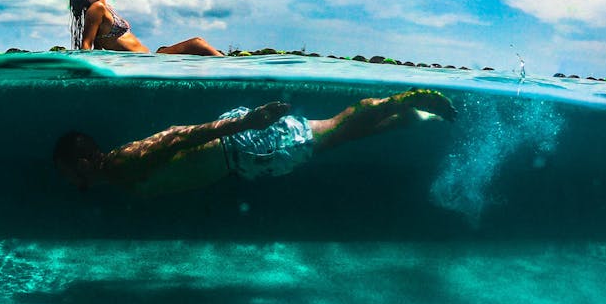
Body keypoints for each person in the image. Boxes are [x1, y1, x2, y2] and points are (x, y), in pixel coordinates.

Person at [54, 89, 456, 197]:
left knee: (336, 127)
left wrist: (246, 122)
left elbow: (177, 136)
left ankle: (396, 102)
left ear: (83, 164)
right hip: (240, 149)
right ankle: (412, 116)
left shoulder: (122, 164)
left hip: (244, 146)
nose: (67, 181)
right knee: (337, 137)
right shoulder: (119, 169)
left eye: (67, 173)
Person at [69, 0, 223, 55]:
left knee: (173, 49)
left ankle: (224, 63)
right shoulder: (97, 8)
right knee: (197, 43)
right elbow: (87, 45)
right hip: (142, 61)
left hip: (147, 58)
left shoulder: (105, 8)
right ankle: (228, 65)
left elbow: (99, 45)